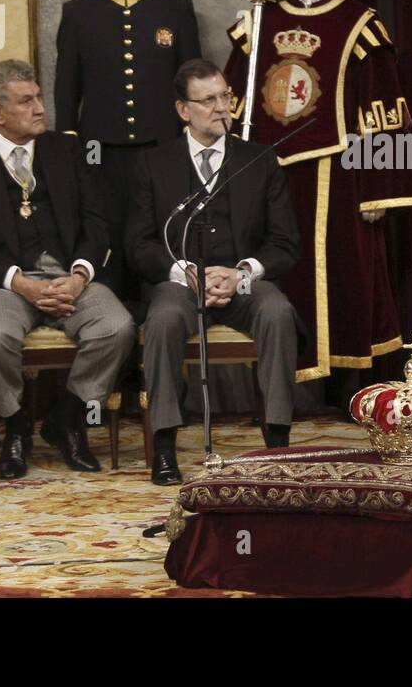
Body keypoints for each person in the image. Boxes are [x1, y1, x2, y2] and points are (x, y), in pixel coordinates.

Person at [223, 0, 412, 385]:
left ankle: (351, 390)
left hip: (339, 173)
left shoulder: (358, 23)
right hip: (267, 174)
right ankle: (276, 389)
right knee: (274, 273)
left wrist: (380, 187)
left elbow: (383, 109)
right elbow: (231, 102)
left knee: (345, 277)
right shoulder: (259, 21)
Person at [0, 60, 135, 479]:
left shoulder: (68, 150)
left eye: (39, 97)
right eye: (26, 101)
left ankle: (69, 417)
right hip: (4, 284)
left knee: (117, 326)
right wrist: (19, 283)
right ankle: (15, 424)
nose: (40, 108)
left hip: (70, 277)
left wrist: (80, 274)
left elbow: (97, 222)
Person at [126, 60, 302, 484]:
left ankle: (277, 439)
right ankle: (165, 444)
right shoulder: (153, 163)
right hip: (181, 283)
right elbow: (138, 243)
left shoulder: (259, 159)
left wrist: (243, 270)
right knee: (164, 318)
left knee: (277, 311)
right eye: (208, 101)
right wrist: (185, 271)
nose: (222, 108)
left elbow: (285, 243)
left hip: (243, 284)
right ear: (183, 110)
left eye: (225, 97)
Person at [54, 0, 200, 294]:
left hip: (162, 145)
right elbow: (67, 86)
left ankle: (163, 311)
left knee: (161, 229)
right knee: (107, 230)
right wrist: (70, 141)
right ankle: (117, 317)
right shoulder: (79, 14)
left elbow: (191, 81)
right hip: (99, 149)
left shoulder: (175, 9)